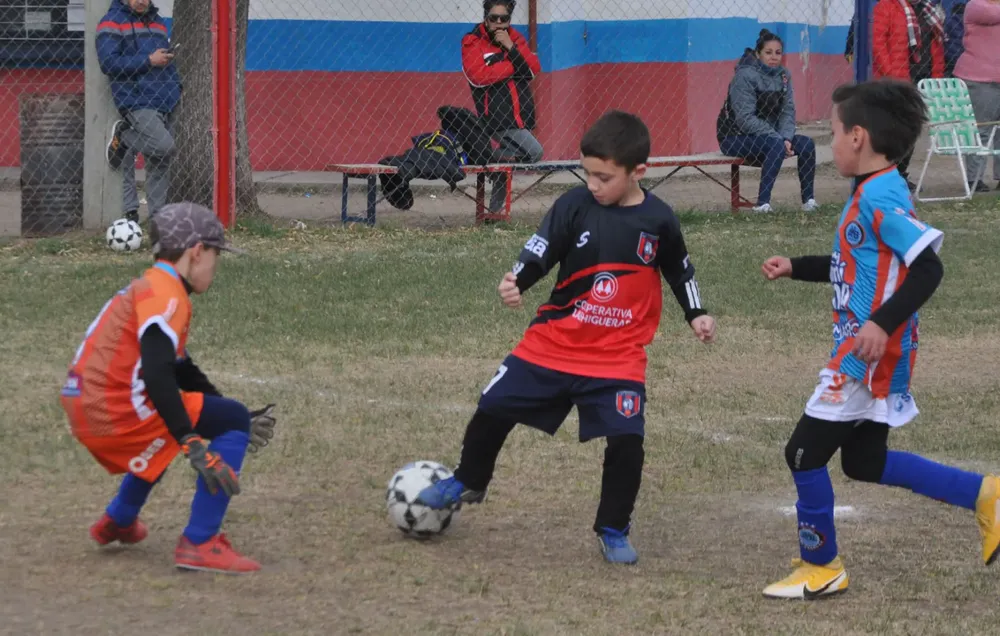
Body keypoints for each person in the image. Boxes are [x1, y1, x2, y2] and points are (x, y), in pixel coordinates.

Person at [414, 111, 717, 565]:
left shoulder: (659, 219)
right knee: (492, 405)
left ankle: (613, 527)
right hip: (554, 340)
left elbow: (679, 268)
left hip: (617, 355)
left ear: (639, 172)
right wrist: (517, 278)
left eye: (604, 177)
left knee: (627, 441)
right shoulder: (575, 204)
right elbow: (542, 248)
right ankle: (470, 479)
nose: (594, 184)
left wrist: (696, 313)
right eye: (588, 173)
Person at [759, 79, 1000, 600]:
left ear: (859, 137)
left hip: (867, 355)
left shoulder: (885, 197)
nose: (832, 139)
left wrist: (880, 323)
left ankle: (821, 566)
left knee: (802, 452)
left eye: (835, 130)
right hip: (868, 349)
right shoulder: (870, 191)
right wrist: (795, 267)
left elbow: (927, 269)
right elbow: (856, 266)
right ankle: (986, 495)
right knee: (864, 463)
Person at [59, 202, 277, 574]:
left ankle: (119, 520)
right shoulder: (169, 296)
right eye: (215, 255)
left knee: (206, 419)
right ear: (196, 252)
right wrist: (193, 439)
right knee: (219, 421)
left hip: (85, 406)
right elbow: (160, 375)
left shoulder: (152, 285)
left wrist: (218, 412)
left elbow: (181, 370)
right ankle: (200, 542)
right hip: (115, 408)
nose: (215, 265)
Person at [96, 0, 181, 223]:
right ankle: (124, 139)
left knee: (159, 161)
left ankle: (156, 220)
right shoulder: (111, 22)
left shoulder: (158, 22)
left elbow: (164, 61)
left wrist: (175, 86)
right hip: (137, 99)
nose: (141, 0)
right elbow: (109, 63)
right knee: (165, 147)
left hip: (166, 97)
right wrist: (148, 61)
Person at [717, 29, 818, 213]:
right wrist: (778, 139)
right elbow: (745, 119)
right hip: (735, 137)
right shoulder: (744, 76)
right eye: (768, 52)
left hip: (771, 138)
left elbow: (788, 111)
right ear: (758, 54)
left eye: (778, 53)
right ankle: (763, 204)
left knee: (807, 145)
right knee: (776, 145)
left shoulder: (784, 76)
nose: (774, 57)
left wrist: (786, 137)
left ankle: (809, 201)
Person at [462, 0, 543, 213]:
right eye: (493, 18)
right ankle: (485, 157)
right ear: (485, 18)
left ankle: (495, 212)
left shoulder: (515, 38)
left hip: (520, 115)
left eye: (504, 19)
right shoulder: (473, 41)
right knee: (535, 152)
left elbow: (533, 70)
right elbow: (478, 77)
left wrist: (510, 48)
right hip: (496, 117)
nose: (499, 23)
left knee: (504, 168)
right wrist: (514, 66)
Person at [872, 0, 947, 189]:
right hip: (896, 81)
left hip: (923, 78)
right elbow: (878, 43)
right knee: (893, 130)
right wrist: (891, 75)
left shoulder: (928, 8)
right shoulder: (886, 6)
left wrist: (936, 77)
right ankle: (885, 176)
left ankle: (900, 175)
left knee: (912, 130)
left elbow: (937, 45)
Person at [953, 0, 1000, 192]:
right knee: (980, 130)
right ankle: (974, 179)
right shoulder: (975, 6)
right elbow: (993, 14)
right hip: (979, 78)